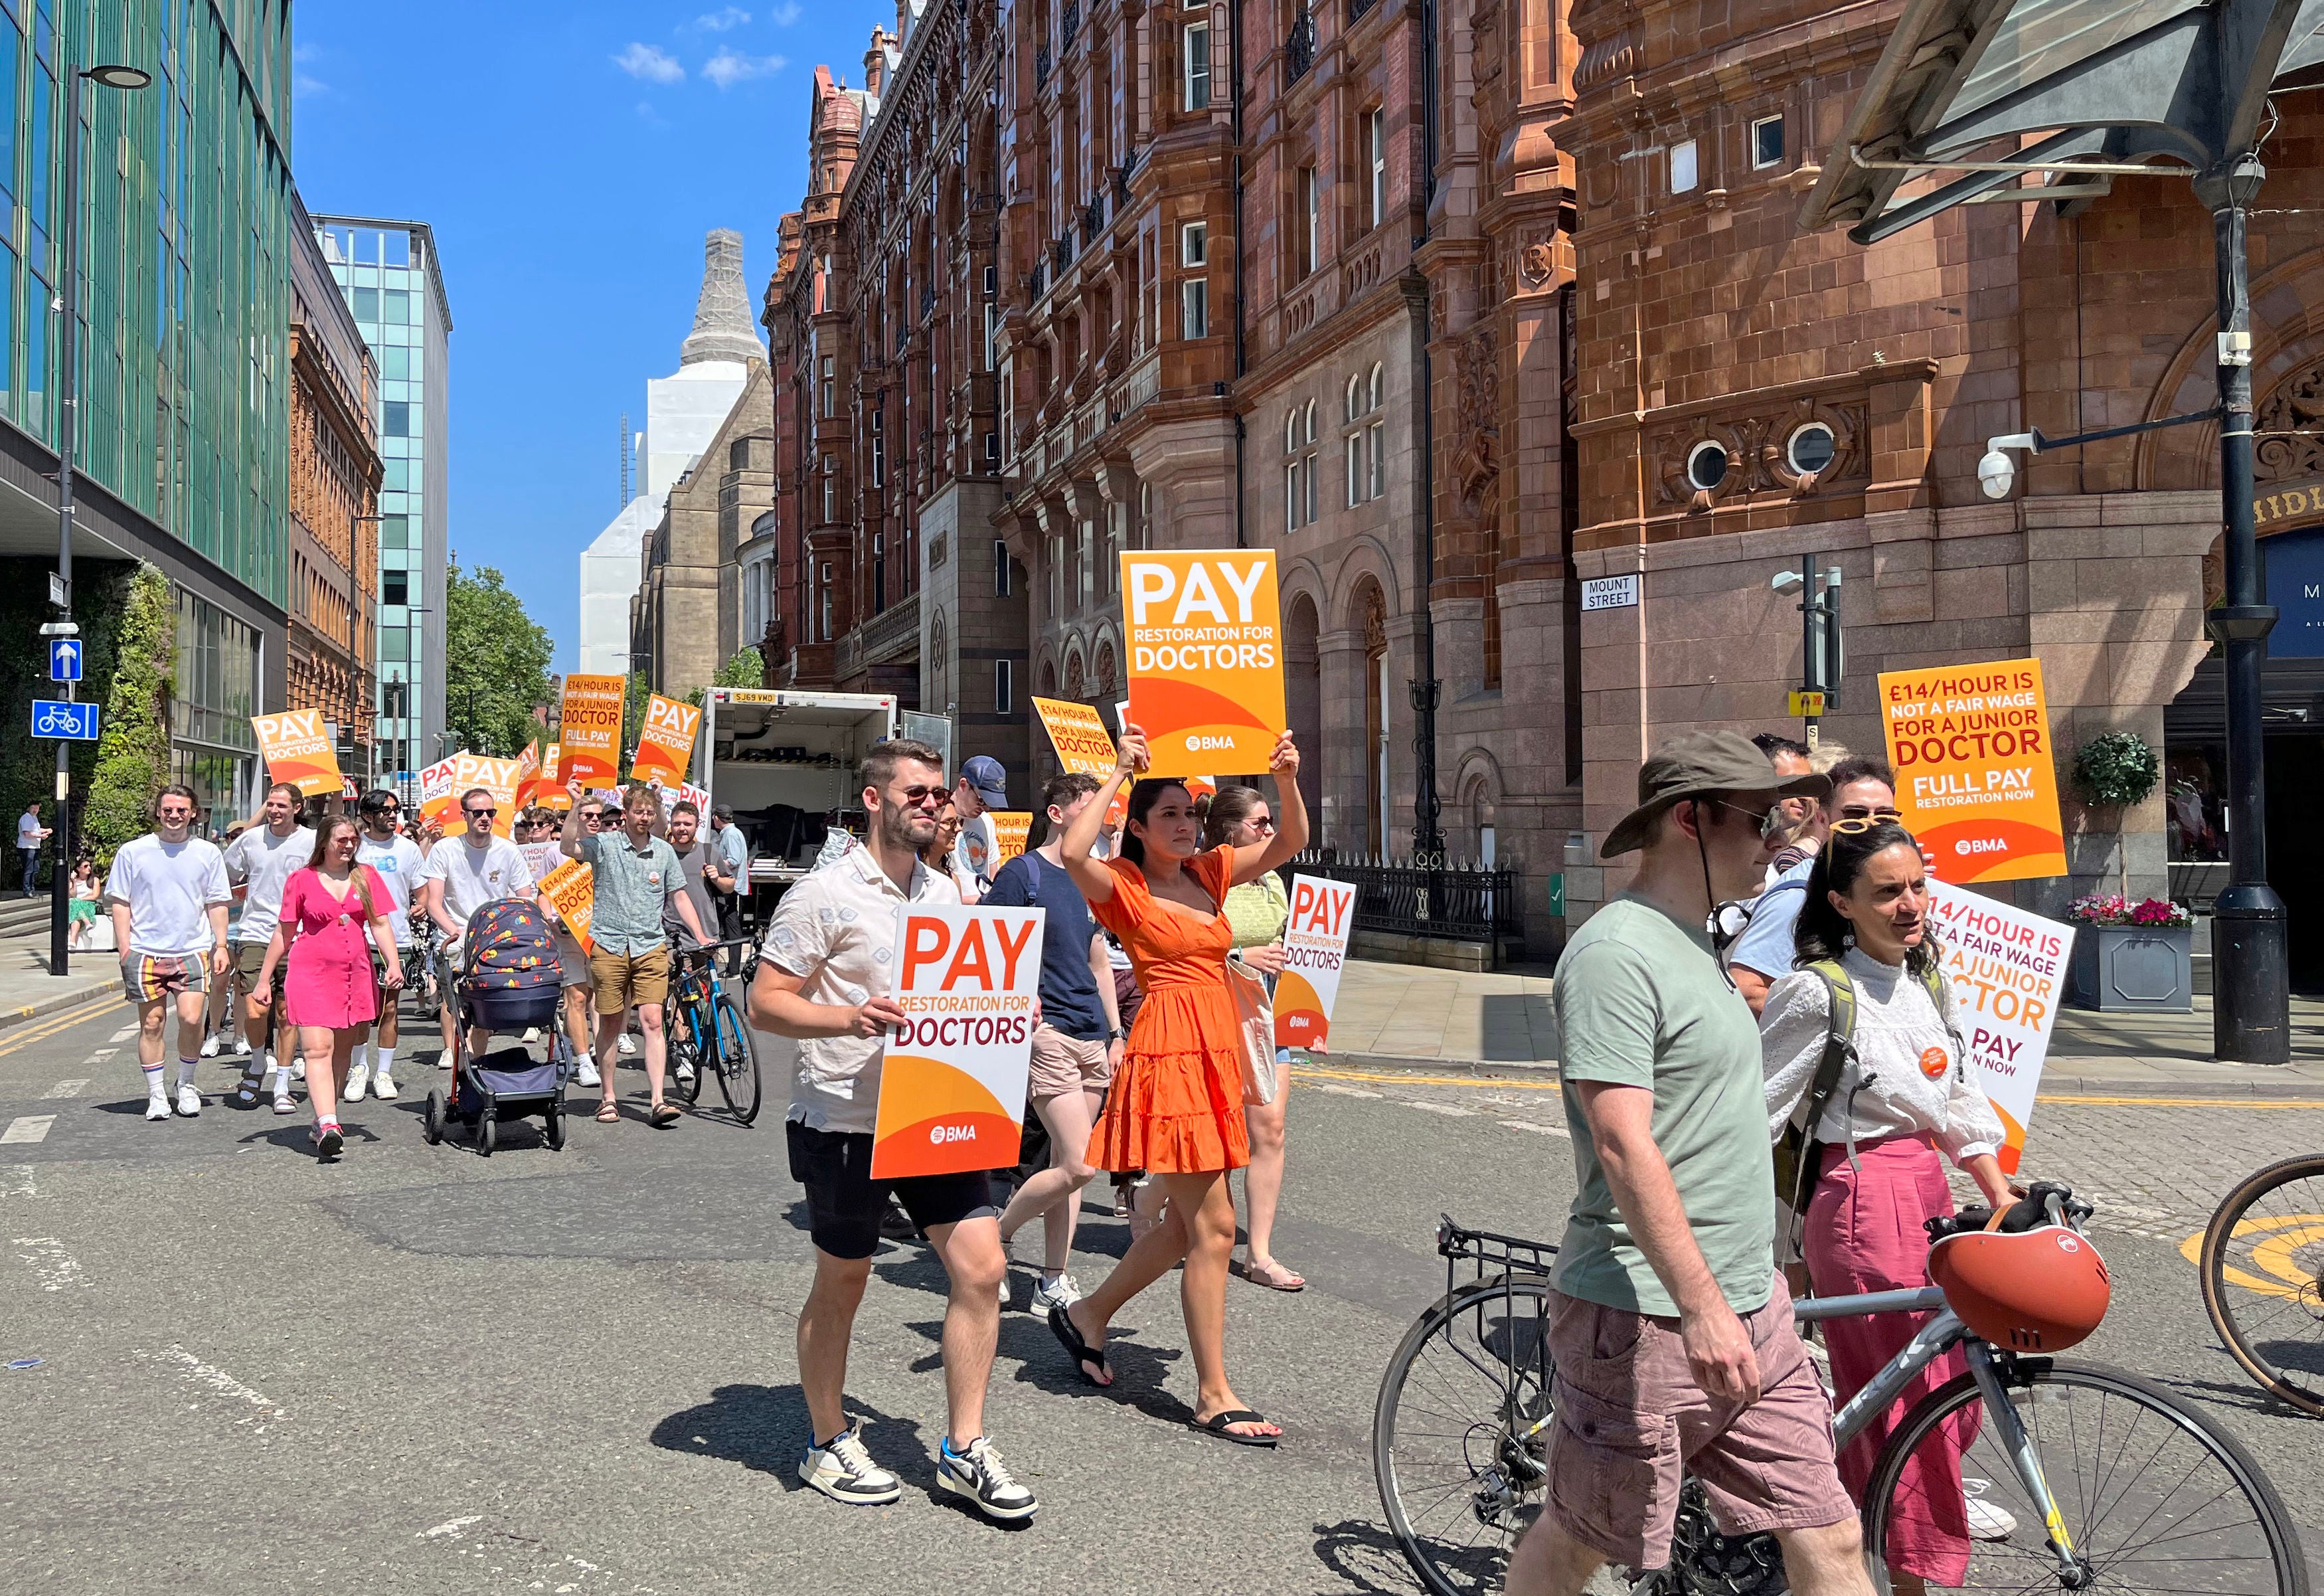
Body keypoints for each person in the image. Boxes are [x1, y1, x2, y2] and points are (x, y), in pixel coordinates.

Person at [1503, 732, 1863, 1596]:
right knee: (1579, 1543)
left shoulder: (1698, 941)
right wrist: (1702, 1306)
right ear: (1690, 819)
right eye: (1759, 817)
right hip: (1648, 1315)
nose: (1779, 838)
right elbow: (1624, 1138)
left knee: (1834, 1534)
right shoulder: (1616, 952)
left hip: (1753, 1306)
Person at [748, 737, 1035, 1522]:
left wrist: (1009, 1011)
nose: (933, 804)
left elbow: (964, 1000)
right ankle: (825, 1440)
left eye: (938, 793)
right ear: (873, 799)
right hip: (844, 1117)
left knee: (981, 1271)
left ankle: (962, 1448)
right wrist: (849, 1014)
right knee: (843, 1282)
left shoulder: (946, 896)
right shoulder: (824, 895)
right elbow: (766, 1003)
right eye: (916, 792)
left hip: (934, 1112)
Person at [1762, 818, 2020, 1575]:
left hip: (1931, 1198)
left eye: (1916, 886)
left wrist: (2001, 1199)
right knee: (1905, 1409)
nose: (1910, 905)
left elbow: (1963, 1103)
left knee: (1954, 1389)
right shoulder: (1815, 993)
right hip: (1859, 1204)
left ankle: (1836, 1540)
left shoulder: (1928, 977)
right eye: (1886, 893)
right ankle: (1902, 1576)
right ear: (1840, 902)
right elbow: (1753, 1114)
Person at [1049, 724, 1309, 1447]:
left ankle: (1088, 1316)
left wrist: (1285, 776)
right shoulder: (1124, 884)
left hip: (1213, 1043)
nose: (1186, 826)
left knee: (1177, 1228)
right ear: (1136, 826)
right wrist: (1116, 771)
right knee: (1214, 1229)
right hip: (1168, 1047)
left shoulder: (1207, 875)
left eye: (1190, 815)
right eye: (1168, 815)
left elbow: (1287, 843)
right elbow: (1073, 850)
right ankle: (1212, 1393)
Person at [988, 772, 1126, 1314]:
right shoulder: (1022, 873)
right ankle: (996, 1236)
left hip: (1092, 1032)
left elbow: (1097, 961)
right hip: (1046, 1033)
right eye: (1090, 806)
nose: (1101, 816)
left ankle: (1053, 1277)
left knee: (1073, 1170)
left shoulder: (1091, 876)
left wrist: (1115, 1033)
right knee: (1077, 1163)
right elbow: (993, 948)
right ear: (1057, 813)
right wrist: (1020, 1005)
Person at [1203, 785, 1305, 1292]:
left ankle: (1258, 1253)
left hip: (1265, 1020)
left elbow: (1286, 944)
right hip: (1216, 1019)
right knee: (1215, 1140)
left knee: (1271, 1130)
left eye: (1270, 822)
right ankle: (1153, 1201)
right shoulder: (1205, 877)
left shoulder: (1271, 881)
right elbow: (1186, 954)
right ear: (1229, 828)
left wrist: (1311, 1012)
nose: (1268, 830)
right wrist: (1240, 958)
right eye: (1260, 823)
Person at [253, 817, 404, 1159]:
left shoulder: (365, 876)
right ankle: (329, 1123)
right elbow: (283, 931)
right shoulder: (301, 879)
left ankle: (325, 1116)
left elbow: (380, 923)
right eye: (341, 840)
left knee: (341, 1053)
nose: (349, 845)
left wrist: (393, 963)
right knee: (317, 1049)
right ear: (324, 843)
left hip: (355, 974)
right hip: (310, 972)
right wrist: (264, 979)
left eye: (353, 839)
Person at [558, 780, 707, 1127]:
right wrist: (575, 807)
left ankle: (658, 1099)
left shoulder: (664, 851)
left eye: (650, 812)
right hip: (609, 944)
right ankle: (608, 1098)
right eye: (638, 812)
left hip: (650, 945)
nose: (644, 817)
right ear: (625, 815)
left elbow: (679, 896)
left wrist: (700, 934)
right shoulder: (605, 844)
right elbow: (569, 847)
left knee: (653, 1020)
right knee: (611, 1021)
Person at [1728, 755, 1910, 1017]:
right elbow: (1747, 991)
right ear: (1823, 820)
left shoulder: (1906, 891)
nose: (1871, 827)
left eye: (1885, 817)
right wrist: (1845, 1022)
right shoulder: (1798, 896)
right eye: (1854, 815)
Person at [105, 786, 233, 1120]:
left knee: (192, 1019)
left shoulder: (207, 853)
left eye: (181, 810)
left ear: (193, 813)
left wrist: (221, 946)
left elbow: (217, 903)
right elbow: (120, 902)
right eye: (168, 810)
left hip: (192, 949)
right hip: (145, 951)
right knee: (152, 1024)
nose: (174, 816)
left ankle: (187, 1084)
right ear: (158, 812)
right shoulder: (134, 851)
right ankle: (157, 1094)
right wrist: (125, 949)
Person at [420, 788, 537, 1073]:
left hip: (494, 942)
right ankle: (453, 1052)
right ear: (464, 815)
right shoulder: (445, 849)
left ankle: (473, 1069)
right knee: (459, 1010)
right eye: (478, 813)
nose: (485, 818)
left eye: (490, 813)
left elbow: (525, 898)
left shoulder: (508, 851)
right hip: (456, 940)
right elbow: (433, 903)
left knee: (484, 1013)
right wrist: (456, 931)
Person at [222, 784, 316, 1112]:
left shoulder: (311, 841)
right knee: (254, 1010)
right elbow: (225, 874)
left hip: (298, 936)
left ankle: (282, 1084)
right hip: (256, 934)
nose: (275, 810)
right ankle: (259, 1062)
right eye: (270, 804)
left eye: (281, 805)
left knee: (288, 1014)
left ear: (297, 808)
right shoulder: (251, 839)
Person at [343, 789, 424, 1104]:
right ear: (367, 815)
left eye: (396, 810)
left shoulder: (408, 849)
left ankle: (384, 1072)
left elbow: (422, 890)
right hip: (357, 937)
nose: (393, 815)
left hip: (397, 938)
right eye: (385, 811)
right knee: (362, 1011)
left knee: (390, 1008)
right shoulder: (354, 848)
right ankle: (359, 1068)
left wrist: (422, 904)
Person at [539, 796, 607, 1087]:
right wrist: (550, 920)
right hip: (568, 936)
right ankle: (584, 1061)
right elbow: (543, 892)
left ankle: (568, 1043)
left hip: (601, 936)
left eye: (598, 816)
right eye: (587, 814)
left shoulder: (609, 849)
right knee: (576, 999)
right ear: (576, 818)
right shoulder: (556, 854)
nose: (594, 820)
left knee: (595, 999)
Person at [950, 754, 1008, 902]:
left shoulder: (986, 821)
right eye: (981, 800)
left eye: (991, 803)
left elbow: (992, 869)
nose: (986, 808)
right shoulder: (940, 820)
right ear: (963, 785)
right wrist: (974, 901)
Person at [706, 802, 750, 973]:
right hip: (730, 885)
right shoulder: (730, 833)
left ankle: (732, 968)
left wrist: (715, 867)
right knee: (731, 923)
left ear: (717, 818)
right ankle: (733, 968)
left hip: (729, 885)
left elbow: (733, 860)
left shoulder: (731, 835)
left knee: (730, 925)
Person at [66, 858, 102, 949]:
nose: (89, 868)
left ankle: (74, 938)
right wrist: (73, 882)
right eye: (86, 866)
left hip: (88, 905)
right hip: (75, 907)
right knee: (76, 917)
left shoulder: (94, 879)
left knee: (74, 903)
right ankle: (73, 939)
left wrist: (80, 900)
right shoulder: (73, 880)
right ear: (78, 869)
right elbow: (71, 895)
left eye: (89, 866)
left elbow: (95, 896)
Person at [18, 800, 49, 897]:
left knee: (35, 868)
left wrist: (46, 830)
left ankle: (31, 889)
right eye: (33, 808)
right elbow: (27, 833)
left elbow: (36, 830)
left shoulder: (34, 818)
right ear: (29, 808)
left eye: (37, 808)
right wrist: (41, 836)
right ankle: (27, 890)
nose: (35, 810)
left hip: (34, 847)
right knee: (29, 869)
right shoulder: (26, 818)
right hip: (27, 847)